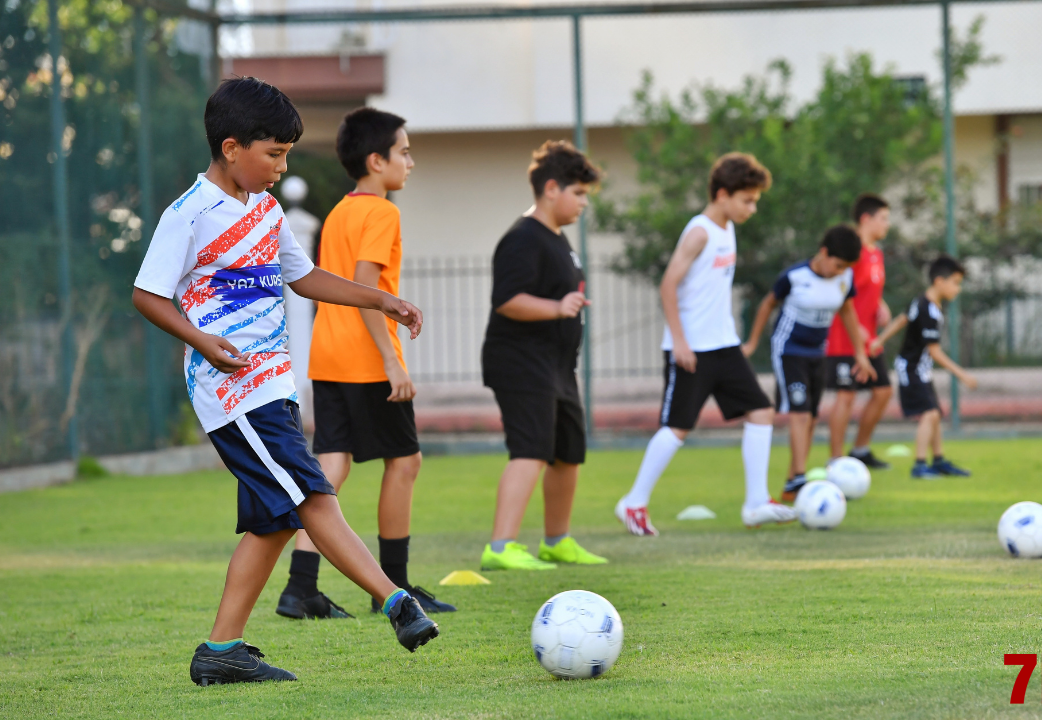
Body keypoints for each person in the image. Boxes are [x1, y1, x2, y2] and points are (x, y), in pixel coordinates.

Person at [132, 78, 438, 686]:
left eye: (287, 155)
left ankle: (221, 651)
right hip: (234, 392)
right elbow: (146, 293)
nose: (281, 166)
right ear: (230, 148)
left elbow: (306, 278)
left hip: (273, 386)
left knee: (274, 520)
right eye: (273, 154)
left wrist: (380, 300)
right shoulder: (189, 214)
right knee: (312, 494)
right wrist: (200, 340)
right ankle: (394, 600)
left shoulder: (266, 211)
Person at [275, 107, 455, 620]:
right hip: (365, 361)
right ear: (377, 161)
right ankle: (393, 589)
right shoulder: (382, 212)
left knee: (332, 465)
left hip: (327, 357)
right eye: (403, 152)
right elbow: (366, 285)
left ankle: (301, 588)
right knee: (406, 461)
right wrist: (392, 364)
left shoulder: (338, 212)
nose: (410, 163)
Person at [616, 153, 796, 536]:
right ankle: (633, 502)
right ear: (722, 193)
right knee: (677, 428)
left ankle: (755, 503)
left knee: (761, 411)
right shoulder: (699, 231)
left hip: (723, 345)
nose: (752, 208)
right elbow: (668, 285)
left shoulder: (728, 227)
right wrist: (679, 341)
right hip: (692, 349)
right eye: (747, 200)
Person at [478, 140, 609, 571]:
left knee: (568, 453)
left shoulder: (560, 240)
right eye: (579, 193)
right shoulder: (521, 239)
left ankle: (557, 540)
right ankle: (500, 547)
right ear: (552, 188)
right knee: (530, 450)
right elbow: (507, 300)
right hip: (520, 362)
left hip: (557, 366)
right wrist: (557, 308)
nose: (583, 203)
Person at [741, 225, 875, 501]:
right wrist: (753, 342)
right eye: (837, 264)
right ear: (824, 253)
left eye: (845, 267)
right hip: (788, 350)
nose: (840, 271)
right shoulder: (794, 277)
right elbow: (767, 304)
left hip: (817, 352)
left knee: (812, 417)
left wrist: (860, 354)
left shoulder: (844, 277)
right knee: (799, 413)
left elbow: (847, 312)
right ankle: (800, 478)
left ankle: (793, 480)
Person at [870, 255, 977, 480]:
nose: (957, 289)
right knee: (929, 413)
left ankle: (938, 461)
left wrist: (880, 340)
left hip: (921, 369)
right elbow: (935, 352)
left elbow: (902, 319)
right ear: (939, 281)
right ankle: (919, 465)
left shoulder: (923, 303)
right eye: (955, 283)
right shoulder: (927, 310)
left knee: (935, 414)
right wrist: (962, 375)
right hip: (911, 368)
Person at [826, 194, 896, 470]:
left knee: (883, 391)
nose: (887, 225)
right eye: (883, 218)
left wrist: (881, 306)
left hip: (870, 341)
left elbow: (866, 290)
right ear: (866, 219)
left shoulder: (876, 253)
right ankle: (835, 460)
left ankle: (860, 450)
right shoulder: (850, 251)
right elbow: (842, 293)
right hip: (846, 338)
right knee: (846, 395)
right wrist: (860, 333)